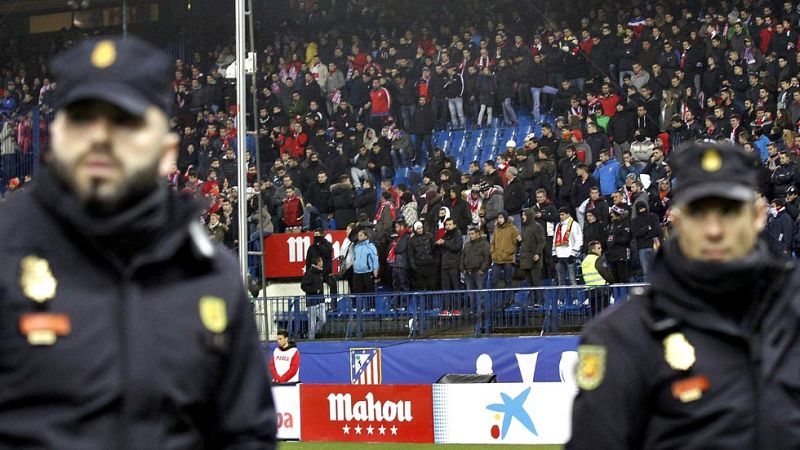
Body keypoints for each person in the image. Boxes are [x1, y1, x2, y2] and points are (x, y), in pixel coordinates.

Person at [0, 36, 276, 447]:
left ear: (168, 151)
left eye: (125, 120)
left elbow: (246, 434)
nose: (100, 136)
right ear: (54, 136)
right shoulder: (5, 248)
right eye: (81, 118)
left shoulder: (210, 273)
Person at [569, 142, 800, 449]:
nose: (715, 229)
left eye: (729, 211)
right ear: (675, 221)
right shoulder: (623, 336)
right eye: (699, 212)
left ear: (758, 215)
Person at [580, 240, 613, 316]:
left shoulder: (585, 260)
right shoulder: (598, 259)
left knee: (594, 313)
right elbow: (604, 272)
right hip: (601, 289)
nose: (601, 250)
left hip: (590, 290)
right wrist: (612, 280)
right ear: (593, 250)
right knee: (604, 314)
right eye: (598, 248)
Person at [552, 207, 583, 286]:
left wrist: (573, 254)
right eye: (560, 215)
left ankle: (575, 298)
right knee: (560, 280)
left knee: (572, 279)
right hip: (559, 256)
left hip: (569, 256)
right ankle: (561, 298)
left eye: (563, 215)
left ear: (568, 214)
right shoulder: (558, 225)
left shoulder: (575, 225)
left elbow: (579, 240)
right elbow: (555, 240)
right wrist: (554, 253)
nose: (560, 217)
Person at [301, 256, 326, 339]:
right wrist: (314, 290)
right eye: (321, 261)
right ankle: (311, 339)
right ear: (318, 262)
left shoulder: (320, 273)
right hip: (311, 301)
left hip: (320, 300)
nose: (322, 262)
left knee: (323, 320)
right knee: (312, 321)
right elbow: (303, 286)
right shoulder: (309, 273)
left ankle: (310, 334)